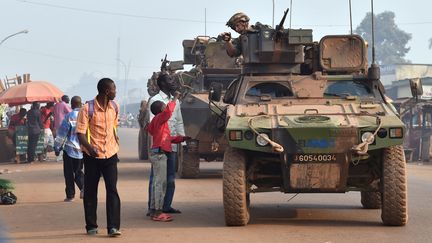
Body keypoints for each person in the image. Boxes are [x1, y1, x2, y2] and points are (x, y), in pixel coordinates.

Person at [76, 78, 122, 237]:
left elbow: (114, 128)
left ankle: (113, 227)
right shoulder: (87, 108)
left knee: (112, 190)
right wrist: (90, 148)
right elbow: (80, 133)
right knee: (90, 191)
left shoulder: (115, 107)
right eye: (114, 88)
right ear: (107, 91)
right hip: (91, 157)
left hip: (110, 154)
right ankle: (91, 226)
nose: (116, 91)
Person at [147, 91, 190, 221]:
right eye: (164, 106)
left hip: (158, 151)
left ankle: (154, 209)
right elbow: (168, 112)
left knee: (157, 182)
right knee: (160, 183)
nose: (167, 107)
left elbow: (167, 138)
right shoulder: (160, 118)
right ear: (161, 110)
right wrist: (176, 97)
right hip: (160, 153)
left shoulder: (158, 122)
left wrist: (181, 138)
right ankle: (158, 213)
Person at [54, 96, 84, 202]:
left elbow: (62, 134)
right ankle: (84, 187)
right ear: (80, 104)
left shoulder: (69, 116)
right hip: (82, 150)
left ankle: (70, 196)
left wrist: (57, 147)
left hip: (70, 149)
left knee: (69, 173)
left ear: (72, 105)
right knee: (79, 171)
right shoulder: (86, 116)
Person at [54, 95, 72, 161]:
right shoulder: (64, 105)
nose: (69, 100)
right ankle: (61, 155)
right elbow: (71, 113)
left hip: (57, 125)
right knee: (64, 141)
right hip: (63, 125)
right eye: (68, 99)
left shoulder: (56, 105)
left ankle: (58, 155)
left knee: (58, 140)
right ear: (65, 99)